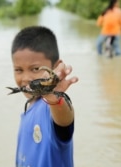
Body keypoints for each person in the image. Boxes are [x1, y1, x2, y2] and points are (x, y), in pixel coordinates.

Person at [10, 26, 79, 167]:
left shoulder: (49, 107)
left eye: (35, 69)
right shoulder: (28, 109)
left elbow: (64, 120)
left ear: (56, 67)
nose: (26, 78)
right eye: (18, 70)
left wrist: (53, 97)